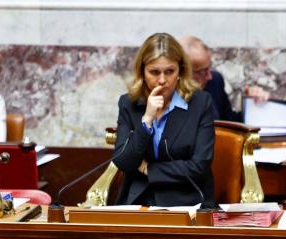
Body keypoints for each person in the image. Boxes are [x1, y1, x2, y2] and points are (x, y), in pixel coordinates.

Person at [113, 32, 215, 208]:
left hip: (187, 201)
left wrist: (148, 169)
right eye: (154, 72)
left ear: (180, 71)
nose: (162, 80)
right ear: (142, 72)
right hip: (139, 200)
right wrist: (147, 120)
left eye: (169, 71)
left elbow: (199, 166)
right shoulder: (129, 103)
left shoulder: (200, 103)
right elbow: (124, 161)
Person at [180, 36, 270, 122]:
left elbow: (229, 123)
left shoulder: (214, 81)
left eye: (209, 67)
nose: (209, 76)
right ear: (183, 72)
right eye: (203, 71)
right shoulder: (170, 99)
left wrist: (250, 103)